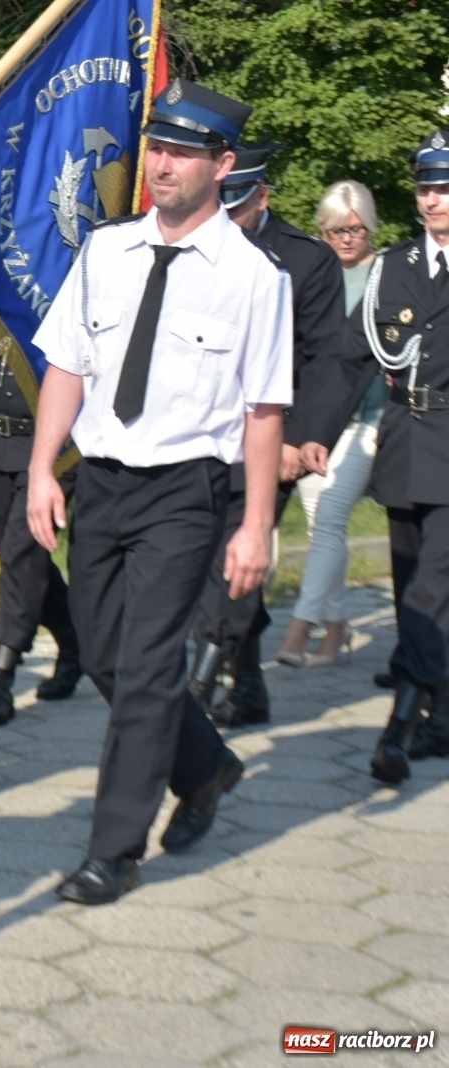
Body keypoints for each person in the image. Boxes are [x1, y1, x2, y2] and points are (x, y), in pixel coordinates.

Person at [27, 81, 292, 904]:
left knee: (145, 669)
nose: (163, 164)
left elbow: (263, 410)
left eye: (182, 152)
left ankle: (114, 850)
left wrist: (254, 526)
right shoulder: (106, 251)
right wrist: (42, 468)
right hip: (102, 483)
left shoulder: (255, 277)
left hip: (186, 493)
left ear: (222, 164)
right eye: (157, 148)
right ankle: (205, 766)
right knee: (102, 653)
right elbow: (69, 366)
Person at [298, 130, 449, 784]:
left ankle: (403, 719)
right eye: (425, 188)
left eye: (445, 189)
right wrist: (314, 433)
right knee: (416, 579)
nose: (434, 200)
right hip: (405, 443)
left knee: (428, 590)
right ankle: (440, 718)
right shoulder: (394, 269)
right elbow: (348, 359)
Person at [186, 145, 347, 729]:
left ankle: (200, 686)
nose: (226, 218)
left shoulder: (305, 261)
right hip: (197, 434)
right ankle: (249, 685)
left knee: (233, 562)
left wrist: (300, 440)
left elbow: (329, 358)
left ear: (262, 196)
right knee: (210, 563)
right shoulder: (193, 249)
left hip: (266, 441)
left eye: (237, 206)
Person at [275, 180, 386, 669]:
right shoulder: (314, 275)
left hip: (371, 420)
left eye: (355, 228)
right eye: (336, 230)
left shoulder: (387, 274)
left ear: (370, 227)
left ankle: (299, 631)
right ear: (321, 231)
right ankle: (337, 627)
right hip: (318, 423)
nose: (346, 238)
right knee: (324, 522)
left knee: (330, 509)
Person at [0, 349, 81, 728]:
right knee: (15, 553)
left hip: (58, 445)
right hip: (3, 439)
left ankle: (1, 677)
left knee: (22, 552)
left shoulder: (69, 288)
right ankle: (74, 636)